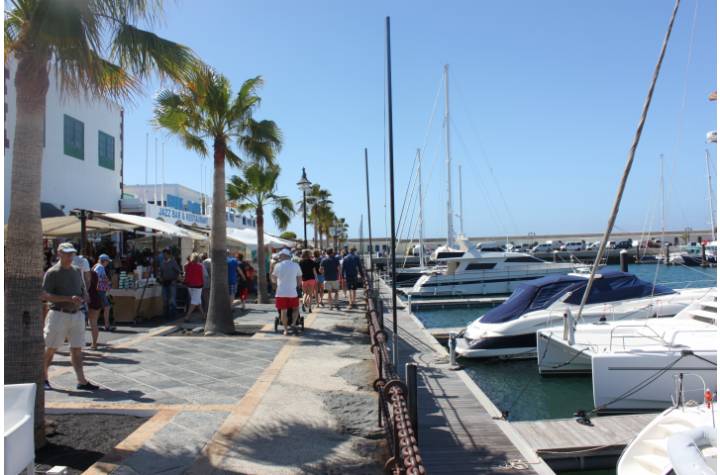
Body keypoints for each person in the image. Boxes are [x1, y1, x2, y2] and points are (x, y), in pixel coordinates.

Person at [42, 242, 98, 391]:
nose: (70, 256)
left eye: (72, 253)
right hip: (58, 314)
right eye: (67, 253)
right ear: (59, 253)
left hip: (77, 314)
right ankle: (43, 378)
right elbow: (45, 295)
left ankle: (82, 381)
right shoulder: (52, 272)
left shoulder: (76, 270)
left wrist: (85, 296)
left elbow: (82, 289)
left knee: (77, 349)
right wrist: (67, 298)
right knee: (51, 348)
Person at [271, 248, 302, 335]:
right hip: (292, 292)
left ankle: (285, 330)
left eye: (280, 256)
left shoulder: (278, 265)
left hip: (281, 292)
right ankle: (293, 324)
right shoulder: (296, 265)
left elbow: (273, 279)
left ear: (284, 256)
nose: (279, 257)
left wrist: (276, 281)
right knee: (295, 309)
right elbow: (299, 279)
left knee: (283, 311)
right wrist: (296, 286)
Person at [93, 254, 115, 332]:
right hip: (100, 290)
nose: (108, 263)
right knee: (107, 307)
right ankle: (106, 325)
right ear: (104, 261)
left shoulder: (97, 266)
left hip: (99, 290)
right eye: (107, 261)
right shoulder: (100, 267)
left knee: (99, 308)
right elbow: (97, 277)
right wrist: (106, 280)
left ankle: (94, 324)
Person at [158, 248, 181, 319]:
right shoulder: (162, 263)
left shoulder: (173, 262)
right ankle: (166, 314)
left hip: (172, 283)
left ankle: (173, 314)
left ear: (168, 255)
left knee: (172, 299)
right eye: (163, 254)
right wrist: (160, 277)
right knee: (165, 299)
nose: (164, 256)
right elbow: (161, 272)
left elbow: (178, 271)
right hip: (164, 283)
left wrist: (175, 279)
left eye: (165, 254)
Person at [183, 252, 205, 322]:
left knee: (197, 300)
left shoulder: (187, 265)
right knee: (195, 301)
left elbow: (185, 272)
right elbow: (203, 276)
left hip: (189, 285)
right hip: (198, 285)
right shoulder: (200, 266)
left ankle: (203, 315)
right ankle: (187, 316)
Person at [86, 262, 102, 350]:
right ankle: (94, 343)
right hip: (96, 297)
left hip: (87, 298)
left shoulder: (81, 274)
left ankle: (78, 345)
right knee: (94, 323)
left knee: (82, 323)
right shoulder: (94, 273)